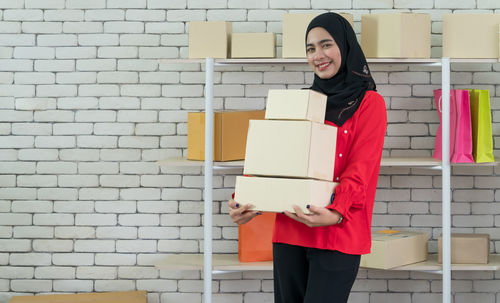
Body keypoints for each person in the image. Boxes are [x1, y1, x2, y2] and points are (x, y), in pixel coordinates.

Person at [228, 12, 387, 303]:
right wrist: (243, 199)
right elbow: (272, 158)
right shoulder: (300, 101)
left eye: (326, 44)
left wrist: (336, 212)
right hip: (290, 229)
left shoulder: (370, 103)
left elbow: (360, 169)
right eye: (310, 48)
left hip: (338, 230)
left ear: (345, 46)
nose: (318, 55)